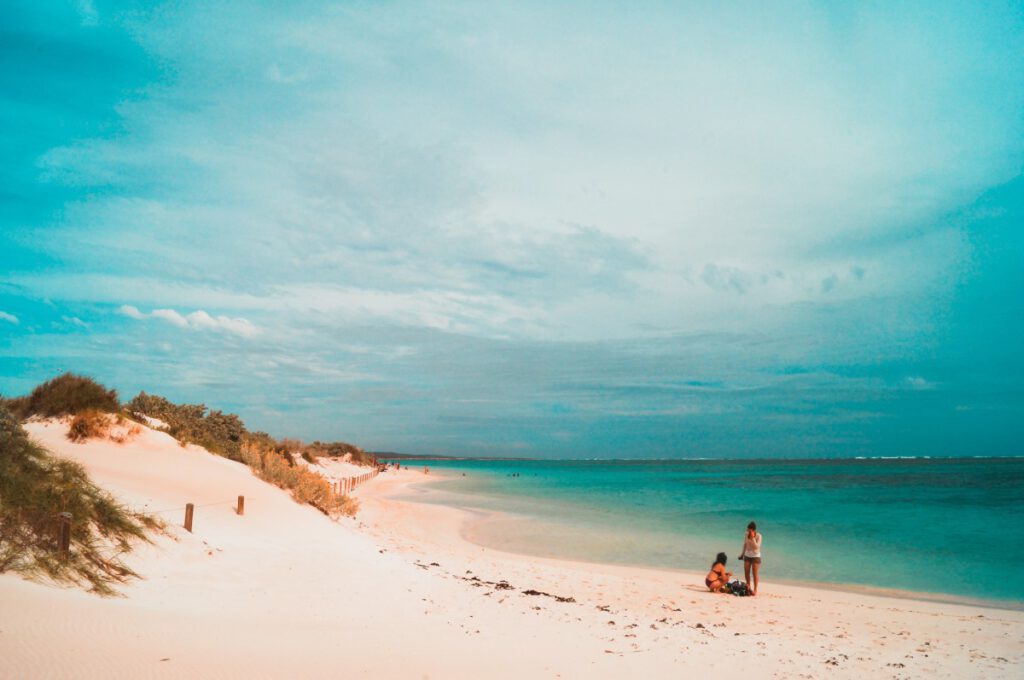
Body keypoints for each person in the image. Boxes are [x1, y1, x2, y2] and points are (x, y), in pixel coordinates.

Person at [738, 521, 762, 596]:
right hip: (747, 555)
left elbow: (757, 547)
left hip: (756, 556)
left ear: (754, 530)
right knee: (746, 572)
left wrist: (752, 538)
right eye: (747, 530)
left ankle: (755, 589)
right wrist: (742, 554)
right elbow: (745, 544)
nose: (748, 531)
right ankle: (748, 587)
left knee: (755, 574)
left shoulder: (759, 536)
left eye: (749, 530)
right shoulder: (746, 534)